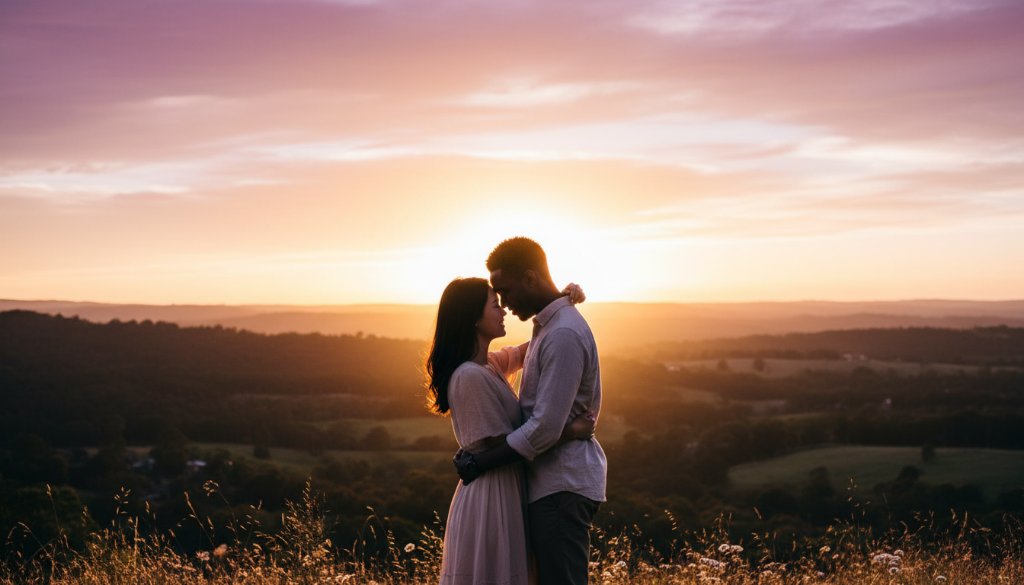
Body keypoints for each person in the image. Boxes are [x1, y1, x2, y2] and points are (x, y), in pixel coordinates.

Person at [455, 237, 606, 585]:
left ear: (530, 279)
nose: (505, 304)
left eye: (505, 292)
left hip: (561, 485)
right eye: (497, 299)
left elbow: (543, 429)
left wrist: (479, 462)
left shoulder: (562, 333)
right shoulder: (549, 328)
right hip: (551, 486)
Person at [426, 277, 591, 585]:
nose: (503, 311)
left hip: (505, 488)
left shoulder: (487, 365)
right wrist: (569, 430)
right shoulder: (469, 377)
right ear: (474, 318)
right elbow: (500, 443)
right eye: (495, 305)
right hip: (491, 495)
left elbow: (534, 348)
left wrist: (561, 303)